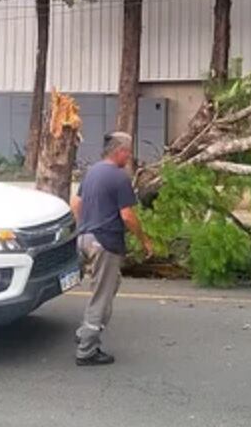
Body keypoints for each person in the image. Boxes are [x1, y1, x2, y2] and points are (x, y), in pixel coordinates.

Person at [69, 132, 153, 367]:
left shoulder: (93, 171)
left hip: (85, 238)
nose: (130, 156)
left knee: (111, 283)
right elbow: (127, 216)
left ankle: (85, 331)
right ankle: (87, 349)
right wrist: (144, 239)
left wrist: (84, 227)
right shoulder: (119, 177)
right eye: (128, 151)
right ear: (120, 151)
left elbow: (76, 203)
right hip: (105, 242)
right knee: (102, 296)